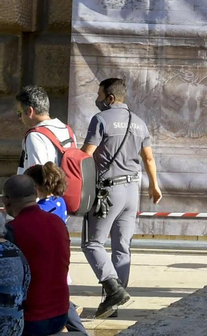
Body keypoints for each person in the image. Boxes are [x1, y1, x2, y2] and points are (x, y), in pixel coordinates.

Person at [80, 77, 160, 318]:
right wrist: (154, 186)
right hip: (131, 192)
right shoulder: (140, 122)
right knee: (121, 248)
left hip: (107, 192)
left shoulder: (100, 119)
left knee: (92, 243)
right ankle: (112, 305)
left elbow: (86, 156)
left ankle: (113, 288)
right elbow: (148, 159)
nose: (97, 99)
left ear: (110, 98)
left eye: (99, 94)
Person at [16, 171, 81, 335]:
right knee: (61, 298)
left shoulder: (42, 209)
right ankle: (79, 330)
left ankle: (79, 330)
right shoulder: (59, 201)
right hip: (56, 258)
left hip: (43, 261)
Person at [4, 177, 67, 336]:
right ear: (36, 193)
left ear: (6, 201)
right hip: (60, 313)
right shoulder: (57, 222)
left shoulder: (13, 230)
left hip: (32, 318)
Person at [13, 90, 70, 179]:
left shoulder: (35, 136)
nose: (20, 118)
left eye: (20, 113)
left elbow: (37, 177)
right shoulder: (67, 130)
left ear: (29, 111)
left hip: (44, 192)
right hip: (66, 190)